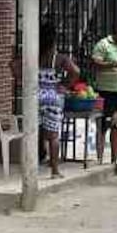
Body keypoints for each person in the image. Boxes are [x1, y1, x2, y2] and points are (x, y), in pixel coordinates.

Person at [37, 22, 80, 179]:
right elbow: (76, 71)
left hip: (36, 96)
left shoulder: (34, 55)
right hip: (53, 97)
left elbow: (13, 64)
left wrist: (24, 80)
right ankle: (54, 170)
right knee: (53, 135)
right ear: (54, 40)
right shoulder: (59, 58)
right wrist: (64, 85)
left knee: (34, 132)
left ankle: (33, 164)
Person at [92, 24, 117, 164]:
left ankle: (114, 159)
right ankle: (99, 158)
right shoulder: (103, 44)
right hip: (104, 90)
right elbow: (95, 63)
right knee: (102, 125)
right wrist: (113, 64)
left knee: (116, 126)